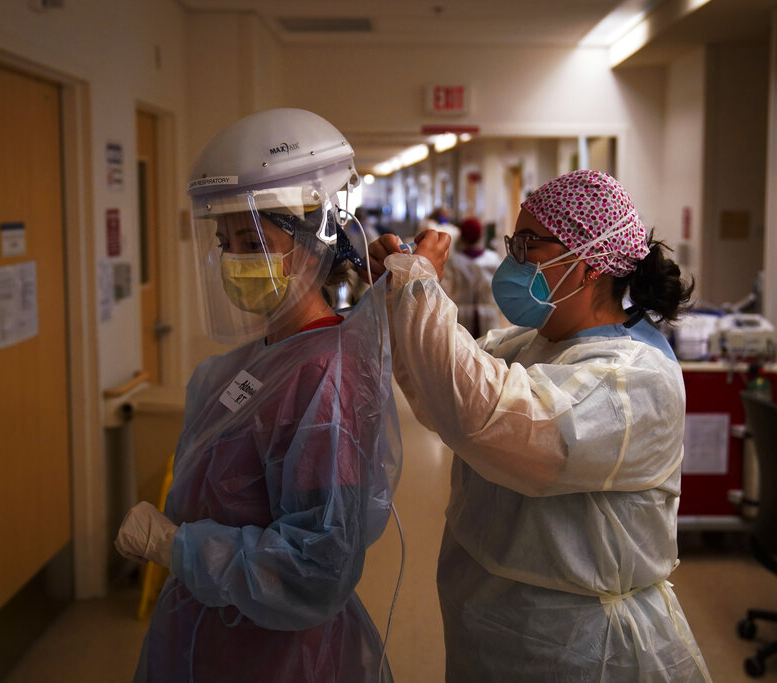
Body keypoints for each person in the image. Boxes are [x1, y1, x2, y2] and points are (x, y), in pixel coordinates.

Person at [365, 169, 710, 681]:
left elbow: (488, 418)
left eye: (530, 246)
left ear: (590, 263)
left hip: (587, 649)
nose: (512, 262)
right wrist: (396, 293)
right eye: (513, 243)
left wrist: (419, 289)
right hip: (497, 625)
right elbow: (441, 389)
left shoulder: (634, 379)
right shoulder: (533, 341)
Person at [115, 108, 402, 682]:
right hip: (211, 633)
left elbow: (316, 567)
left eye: (252, 240)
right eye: (225, 241)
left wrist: (178, 548)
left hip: (277, 656)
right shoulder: (252, 361)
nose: (233, 258)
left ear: (315, 239)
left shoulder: (328, 373)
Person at [441, 217, 505, 338]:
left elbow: (446, 291)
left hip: (462, 316)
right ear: (481, 235)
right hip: (489, 315)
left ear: (462, 236)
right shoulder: (493, 259)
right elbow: (501, 289)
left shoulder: (454, 261)